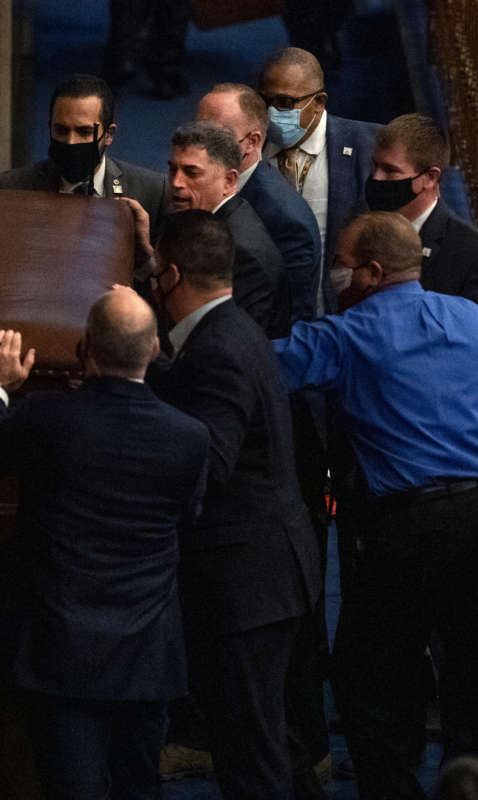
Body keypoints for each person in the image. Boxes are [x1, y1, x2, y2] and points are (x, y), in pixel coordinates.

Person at [273, 211, 478, 799]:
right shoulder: (469, 317)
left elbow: (262, 364)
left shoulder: (350, 333)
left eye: (340, 262)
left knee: (368, 678)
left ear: (369, 270)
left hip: (413, 525)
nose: (334, 273)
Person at [0, 289, 209, 799]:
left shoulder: (50, 417)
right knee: (139, 787)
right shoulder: (190, 436)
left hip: (62, 649)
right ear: (157, 350)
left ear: (85, 349)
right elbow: (187, 516)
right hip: (147, 653)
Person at [148, 210, 323, 799]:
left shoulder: (216, 349)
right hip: (266, 573)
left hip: (246, 582)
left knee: (251, 755)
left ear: (170, 276)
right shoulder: (233, 329)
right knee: (266, 742)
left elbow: (209, 461)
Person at [366, 113, 478, 414]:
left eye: (390, 171)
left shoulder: (474, 255)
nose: (377, 179)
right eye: (375, 166)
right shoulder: (362, 229)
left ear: (430, 178)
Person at [125, 120, 290, 338]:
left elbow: (224, 341)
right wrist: (147, 258)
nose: (176, 182)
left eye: (191, 173)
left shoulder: (244, 255)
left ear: (229, 181)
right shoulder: (187, 212)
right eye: (173, 169)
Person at [258, 47, 380, 314]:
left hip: (341, 314)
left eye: (285, 103)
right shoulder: (247, 147)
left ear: (319, 102)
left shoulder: (371, 147)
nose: (271, 112)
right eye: (264, 101)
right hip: (267, 314)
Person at [197, 83, 323, 322]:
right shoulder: (192, 181)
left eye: (215, 136)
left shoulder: (287, 221)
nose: (199, 146)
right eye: (197, 131)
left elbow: (291, 322)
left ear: (252, 142)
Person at [0, 74, 168, 232]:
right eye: (61, 130)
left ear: (109, 135)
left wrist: (144, 251)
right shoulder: (7, 190)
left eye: (84, 132)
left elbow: (160, 269)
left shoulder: (151, 192)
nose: (71, 142)